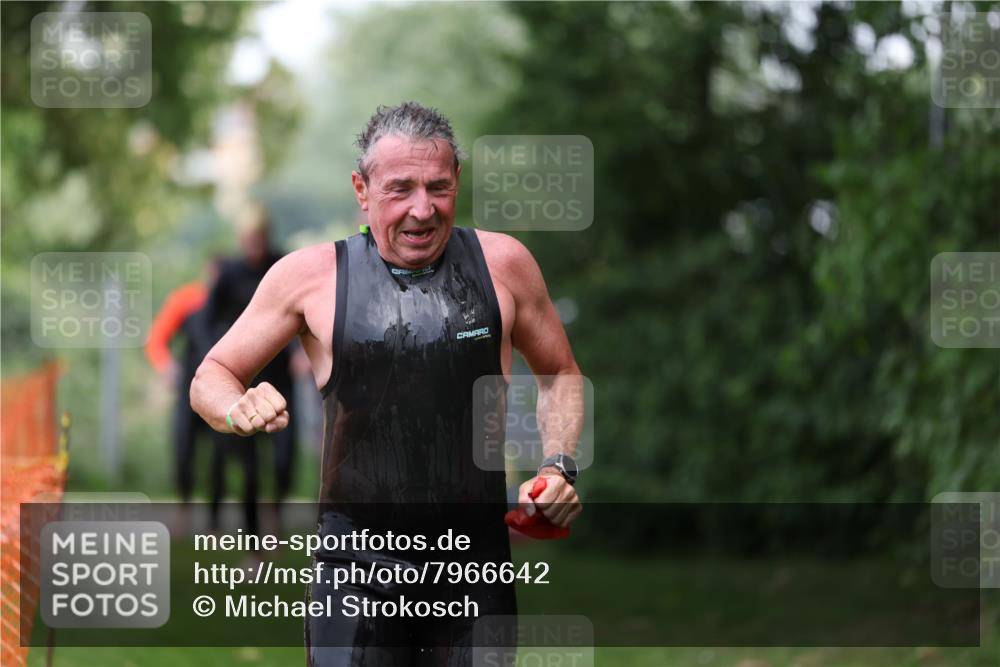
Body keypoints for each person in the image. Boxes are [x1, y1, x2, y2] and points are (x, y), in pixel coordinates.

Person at [191, 102, 584, 665]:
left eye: (438, 187)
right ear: (362, 189)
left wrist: (558, 466)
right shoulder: (310, 278)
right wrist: (236, 408)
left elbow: (560, 374)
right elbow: (212, 375)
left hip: (474, 570)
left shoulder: (504, 265)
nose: (423, 209)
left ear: (457, 181)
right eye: (400, 189)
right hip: (352, 572)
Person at [201, 205, 298, 536]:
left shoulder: (282, 266)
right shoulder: (229, 273)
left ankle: (277, 509)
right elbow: (206, 320)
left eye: (260, 239)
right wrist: (219, 362)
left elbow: (303, 314)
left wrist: (302, 354)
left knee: (284, 458)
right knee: (249, 464)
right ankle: (254, 542)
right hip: (244, 380)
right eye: (249, 239)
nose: (255, 246)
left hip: (280, 375)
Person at [145, 257, 220, 506]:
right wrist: (167, 367)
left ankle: (214, 512)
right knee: (183, 446)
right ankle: (184, 503)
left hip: (224, 389)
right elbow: (157, 338)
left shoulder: (237, 303)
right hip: (189, 387)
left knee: (220, 454)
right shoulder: (187, 299)